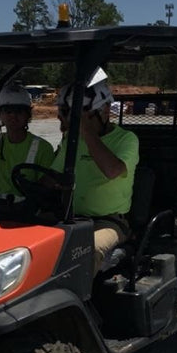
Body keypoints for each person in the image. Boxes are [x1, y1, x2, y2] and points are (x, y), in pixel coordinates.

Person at [51, 77, 139, 273]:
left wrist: (85, 130)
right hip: (71, 217)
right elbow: (52, 176)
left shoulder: (126, 140)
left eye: (77, 115)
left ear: (105, 111)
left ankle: (73, 302)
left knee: (85, 252)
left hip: (108, 221)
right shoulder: (71, 141)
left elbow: (112, 170)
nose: (68, 120)